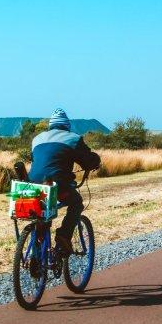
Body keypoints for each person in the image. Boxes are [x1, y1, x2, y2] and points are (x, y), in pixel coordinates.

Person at [29, 108, 101, 256]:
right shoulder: (73, 138)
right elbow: (87, 160)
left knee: (41, 213)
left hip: (33, 184)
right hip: (58, 184)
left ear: (50, 125)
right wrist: (95, 162)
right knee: (76, 203)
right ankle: (63, 236)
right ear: (67, 126)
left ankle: (36, 255)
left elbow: (37, 160)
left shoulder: (37, 139)